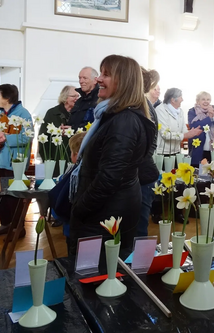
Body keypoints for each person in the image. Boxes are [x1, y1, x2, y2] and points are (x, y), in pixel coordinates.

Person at [69, 55, 156, 257]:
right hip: (106, 211)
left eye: (106, 74)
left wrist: (79, 208)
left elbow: (109, 177)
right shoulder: (115, 116)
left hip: (104, 215)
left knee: (95, 275)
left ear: (124, 82)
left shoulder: (124, 120)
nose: (99, 79)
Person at [0, 84, 32, 238]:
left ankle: (18, 229)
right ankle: (5, 225)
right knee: (0, 195)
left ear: (7, 98)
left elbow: (27, 137)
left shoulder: (23, 114)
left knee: (14, 197)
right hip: (0, 161)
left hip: (14, 164)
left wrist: (5, 137)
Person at [136, 68, 160, 237]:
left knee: (138, 228)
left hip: (141, 175)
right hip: (139, 173)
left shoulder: (144, 107)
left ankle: (138, 263)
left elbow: (150, 143)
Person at [38, 85, 79, 177]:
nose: (77, 98)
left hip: (74, 160)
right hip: (55, 160)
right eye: (74, 96)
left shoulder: (79, 113)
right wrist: (47, 160)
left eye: (78, 96)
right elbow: (43, 138)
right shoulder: (52, 113)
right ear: (65, 97)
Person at [155, 88, 202, 157]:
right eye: (180, 97)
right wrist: (185, 135)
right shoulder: (160, 110)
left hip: (176, 151)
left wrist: (192, 133)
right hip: (162, 153)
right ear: (173, 100)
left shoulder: (180, 111)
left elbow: (183, 130)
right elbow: (165, 134)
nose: (182, 100)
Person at [187, 91, 214, 167]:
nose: (206, 101)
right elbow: (195, 126)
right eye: (203, 99)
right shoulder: (192, 111)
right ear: (197, 101)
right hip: (198, 150)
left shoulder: (213, 111)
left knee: (211, 174)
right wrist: (209, 118)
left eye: (208, 99)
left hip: (212, 150)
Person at [67, 67, 99, 131]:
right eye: (80, 78)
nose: (81, 81)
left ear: (95, 80)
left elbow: (96, 125)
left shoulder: (100, 100)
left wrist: (73, 129)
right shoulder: (79, 101)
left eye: (85, 78)